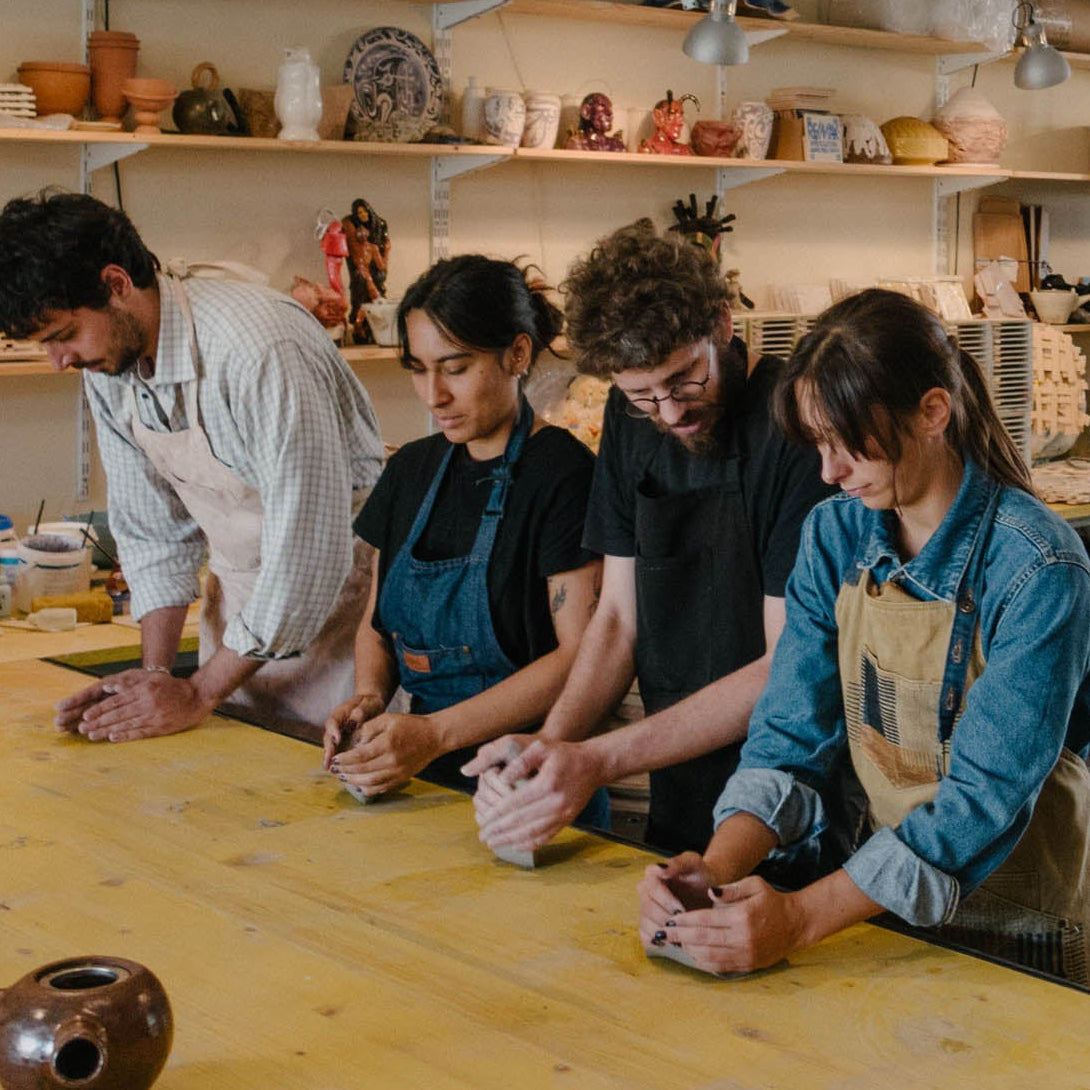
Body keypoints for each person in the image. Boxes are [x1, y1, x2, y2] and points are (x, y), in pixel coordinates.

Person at [637, 288, 1090, 985]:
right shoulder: (835, 533)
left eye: (849, 441)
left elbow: (982, 800)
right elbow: (791, 730)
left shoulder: (1037, 564)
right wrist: (718, 867)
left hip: (1015, 921)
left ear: (933, 412)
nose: (829, 471)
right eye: (818, 442)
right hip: (877, 902)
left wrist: (798, 918)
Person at [464, 221, 834, 854]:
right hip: (677, 764)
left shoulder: (794, 425)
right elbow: (617, 621)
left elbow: (786, 669)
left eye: (686, 379)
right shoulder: (628, 420)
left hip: (785, 780)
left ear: (722, 324)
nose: (669, 412)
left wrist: (600, 760)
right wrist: (551, 749)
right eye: (642, 395)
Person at [0, 191, 384, 742]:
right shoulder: (112, 367)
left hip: (345, 621)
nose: (59, 362)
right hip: (237, 630)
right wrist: (155, 680)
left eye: (62, 336)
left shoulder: (258, 349)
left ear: (117, 285)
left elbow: (308, 551)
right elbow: (153, 531)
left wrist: (200, 691)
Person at [321, 255, 603, 800]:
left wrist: (435, 733)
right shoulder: (410, 471)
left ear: (517, 353)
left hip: (531, 782)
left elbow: (580, 659)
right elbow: (377, 624)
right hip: (418, 778)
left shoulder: (562, 474)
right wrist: (370, 696)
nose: (433, 396)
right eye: (418, 369)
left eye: (455, 368)